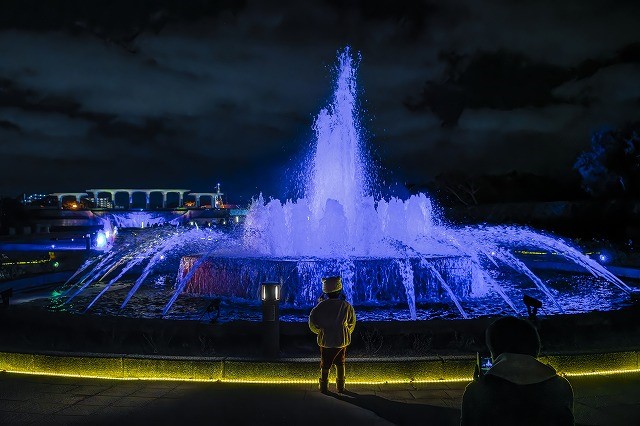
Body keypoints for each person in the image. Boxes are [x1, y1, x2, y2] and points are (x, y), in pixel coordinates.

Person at [461, 316, 574, 425]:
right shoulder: (560, 386)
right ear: (535, 347)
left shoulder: (476, 392)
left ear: (494, 350)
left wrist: (480, 387)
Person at [308, 276, 356, 393]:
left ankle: (324, 386)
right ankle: (341, 386)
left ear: (325, 292)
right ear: (339, 291)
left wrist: (319, 332)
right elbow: (352, 322)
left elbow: (312, 323)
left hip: (326, 341)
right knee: (341, 362)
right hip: (341, 341)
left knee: (325, 363)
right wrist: (346, 332)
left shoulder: (319, 307)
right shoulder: (346, 306)